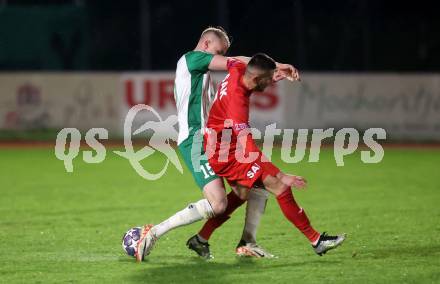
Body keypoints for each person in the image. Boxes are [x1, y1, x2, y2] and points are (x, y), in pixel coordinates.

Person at [135, 27, 298, 261]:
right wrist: (276, 65)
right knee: (219, 203)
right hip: (195, 141)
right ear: (205, 45)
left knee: (249, 187)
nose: (220, 56)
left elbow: (237, 64)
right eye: (217, 51)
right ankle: (153, 233)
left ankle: (243, 242)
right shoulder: (191, 59)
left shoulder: (201, 73)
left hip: (212, 141)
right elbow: (236, 62)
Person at [203, 53, 346, 256]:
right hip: (225, 151)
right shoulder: (237, 104)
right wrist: (280, 174)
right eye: (268, 80)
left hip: (223, 144)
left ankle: (201, 238)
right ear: (257, 79)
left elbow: (249, 59)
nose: (271, 83)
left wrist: (278, 67)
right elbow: (250, 149)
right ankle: (316, 241)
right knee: (280, 186)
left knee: (241, 194)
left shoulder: (238, 69)